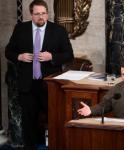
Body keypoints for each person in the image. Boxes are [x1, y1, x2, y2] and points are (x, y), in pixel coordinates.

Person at [5, 0, 74, 149]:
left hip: (49, 85)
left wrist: (52, 57)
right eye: (37, 14)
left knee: (54, 120)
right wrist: (19, 56)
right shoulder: (20, 29)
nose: (41, 17)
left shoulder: (58, 30)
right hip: (27, 84)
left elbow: (69, 55)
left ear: (48, 13)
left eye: (43, 13)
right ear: (31, 14)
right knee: (28, 123)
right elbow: (8, 51)